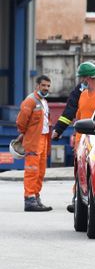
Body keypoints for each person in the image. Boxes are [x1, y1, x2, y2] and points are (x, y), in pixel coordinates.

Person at [53, 61, 95, 212]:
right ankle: (78, 199)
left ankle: (93, 198)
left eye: (82, 78)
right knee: (80, 171)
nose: (80, 81)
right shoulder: (81, 94)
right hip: (82, 141)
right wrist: (59, 130)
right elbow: (72, 114)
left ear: (88, 77)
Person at [16, 75, 53, 212]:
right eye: (43, 85)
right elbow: (21, 121)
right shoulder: (30, 101)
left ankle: (36, 197)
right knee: (32, 171)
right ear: (37, 85)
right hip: (33, 141)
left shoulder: (43, 101)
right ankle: (29, 199)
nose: (46, 88)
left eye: (48, 86)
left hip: (42, 139)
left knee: (40, 171)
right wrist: (24, 133)